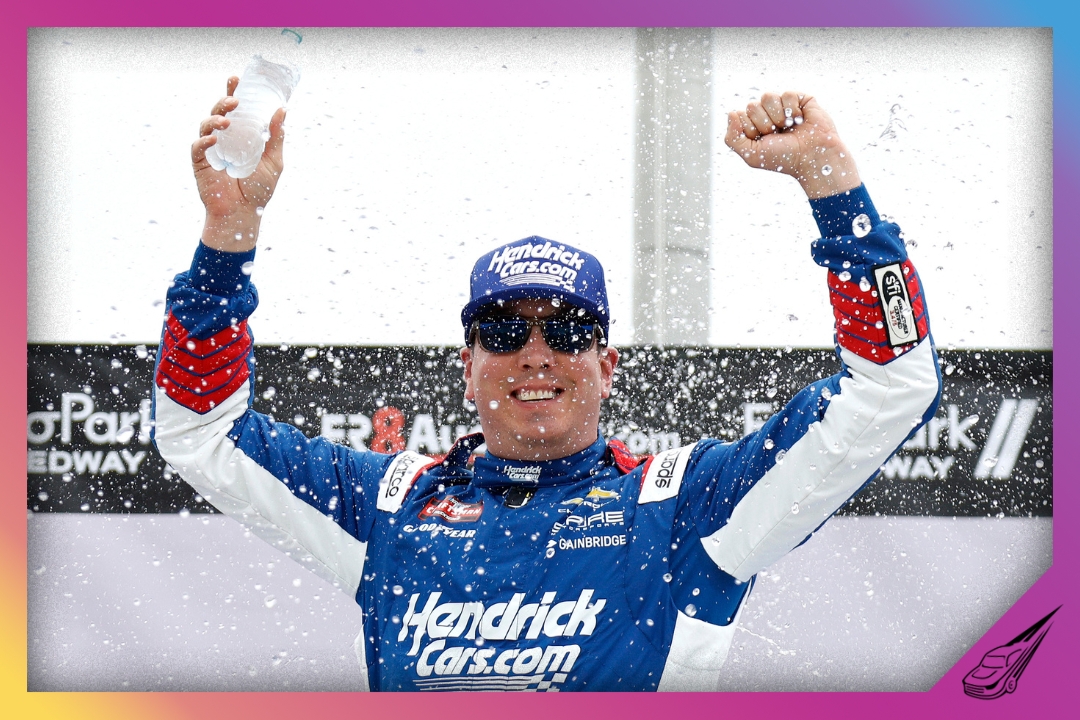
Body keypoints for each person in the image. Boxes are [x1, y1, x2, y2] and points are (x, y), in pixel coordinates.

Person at [152, 80, 941, 691]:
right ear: (467, 367)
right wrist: (229, 234)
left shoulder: (678, 509)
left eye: (566, 333)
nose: (536, 355)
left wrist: (832, 185)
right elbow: (201, 432)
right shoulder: (392, 507)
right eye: (503, 333)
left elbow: (891, 387)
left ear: (607, 364)